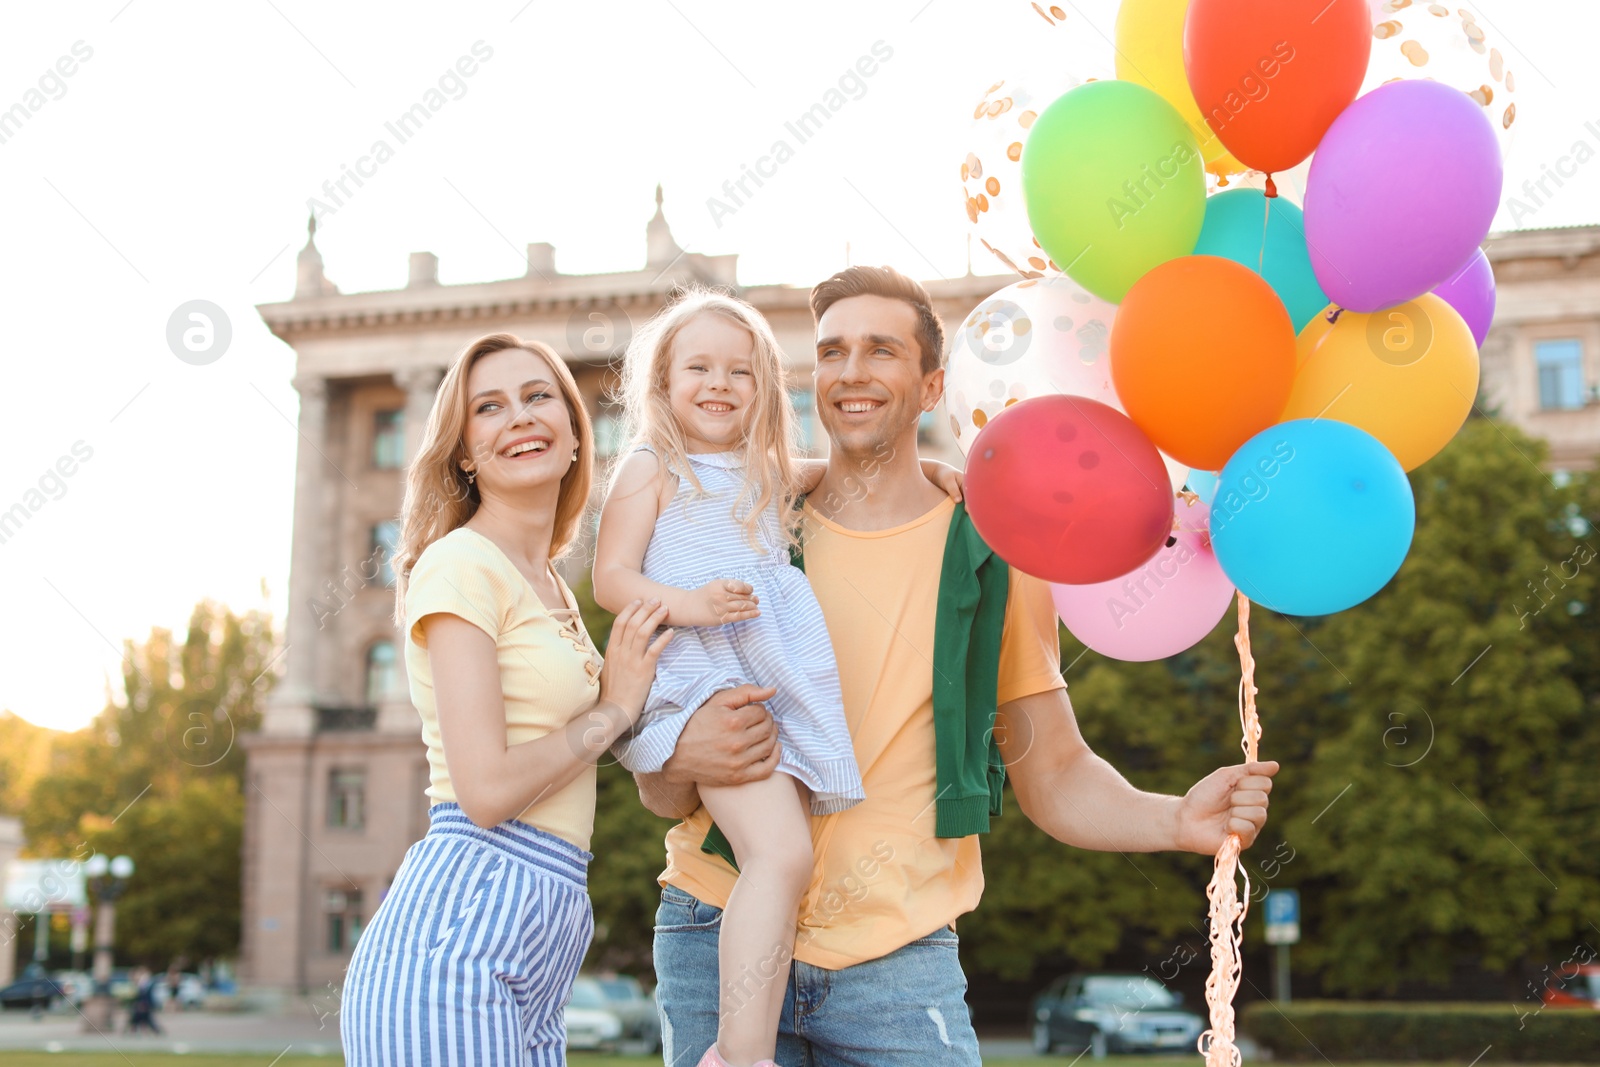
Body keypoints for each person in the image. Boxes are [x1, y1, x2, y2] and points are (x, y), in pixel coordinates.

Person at [635, 266, 1281, 1066]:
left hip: (898, 963)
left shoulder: (990, 554)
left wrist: (1173, 818)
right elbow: (658, 777)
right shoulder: (746, 529)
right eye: (832, 352)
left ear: (932, 383)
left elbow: (1054, 771)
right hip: (714, 930)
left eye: (881, 350)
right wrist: (679, 758)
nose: (852, 372)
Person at [592, 289, 962, 1067]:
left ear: (765, 387)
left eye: (740, 371)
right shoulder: (649, 464)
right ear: (662, 384)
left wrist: (924, 459)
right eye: (698, 367)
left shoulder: (764, 469)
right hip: (703, 682)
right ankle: (742, 1052)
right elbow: (611, 579)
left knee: (782, 857)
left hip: (771, 679)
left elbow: (844, 463)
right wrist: (688, 604)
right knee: (781, 857)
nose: (718, 384)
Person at [339, 333, 673, 1066]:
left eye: (538, 395)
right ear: (464, 451)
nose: (519, 416)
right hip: (454, 943)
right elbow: (485, 791)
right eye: (488, 407)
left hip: (538, 928)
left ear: (576, 429)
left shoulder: (550, 582)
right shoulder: (459, 564)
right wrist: (612, 710)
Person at [126, 967, 162, 1035]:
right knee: (143, 1018)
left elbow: (146, 995)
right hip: (142, 1004)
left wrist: (144, 1003)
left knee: (143, 1018)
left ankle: (132, 1030)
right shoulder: (141, 983)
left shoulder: (147, 983)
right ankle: (155, 1030)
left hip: (146, 1003)